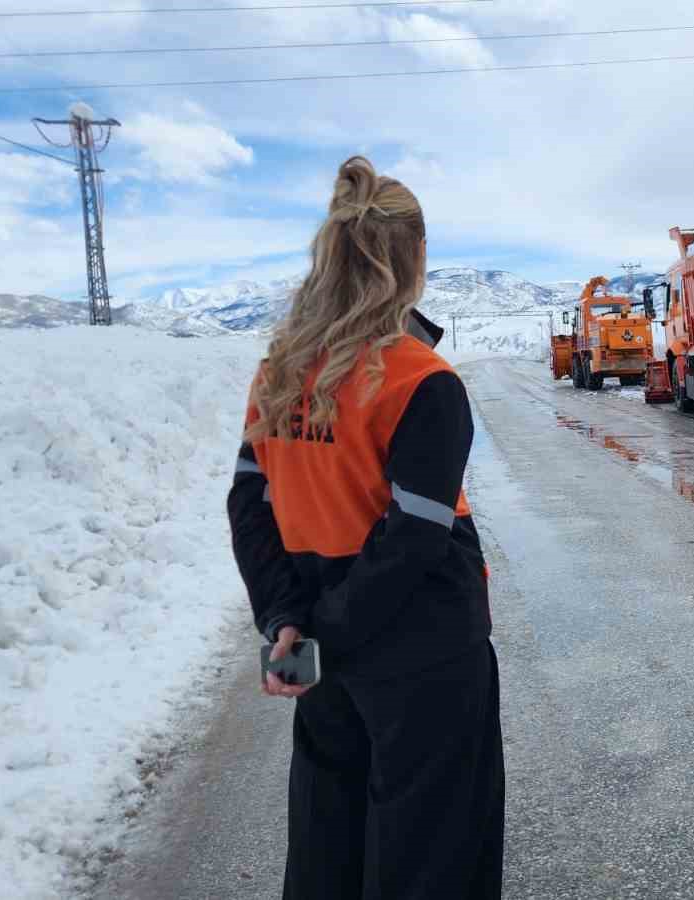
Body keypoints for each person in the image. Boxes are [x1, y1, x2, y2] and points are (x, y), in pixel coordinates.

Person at [226, 156, 503, 899]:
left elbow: (247, 505)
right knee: (433, 857)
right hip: (426, 653)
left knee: (327, 842)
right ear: (411, 260)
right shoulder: (420, 379)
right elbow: (413, 541)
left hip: (325, 653)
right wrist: (326, 630)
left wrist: (289, 621)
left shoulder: (280, 374)